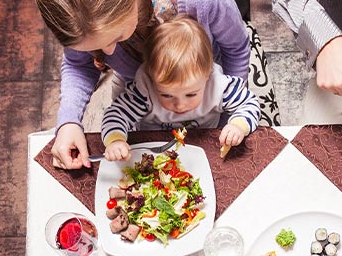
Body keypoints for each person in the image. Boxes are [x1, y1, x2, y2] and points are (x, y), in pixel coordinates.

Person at [35, 0, 251, 170]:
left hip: (201, 81)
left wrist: (231, 121)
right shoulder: (78, 13)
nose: (109, 54)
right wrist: (68, 123)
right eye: (93, 48)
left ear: (134, 0)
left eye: (117, 38)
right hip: (137, 93)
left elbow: (236, 51)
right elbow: (78, 65)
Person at [101, 15, 260, 161]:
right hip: (154, 152)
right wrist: (115, 140)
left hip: (204, 148)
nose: (180, 105)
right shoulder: (145, 90)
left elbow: (250, 104)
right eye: (166, 95)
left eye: (191, 94)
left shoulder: (218, 86)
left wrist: (237, 126)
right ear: (151, 77)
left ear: (207, 75)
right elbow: (116, 114)